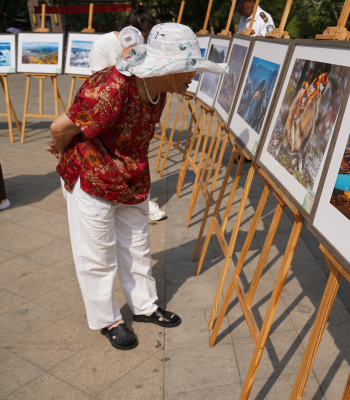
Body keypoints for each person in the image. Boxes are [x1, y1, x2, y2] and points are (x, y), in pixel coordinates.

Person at [45, 23, 228, 350]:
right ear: (168, 69)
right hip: (93, 176)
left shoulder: (159, 90)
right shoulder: (111, 89)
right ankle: (109, 320)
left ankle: (144, 306)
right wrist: (62, 153)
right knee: (97, 254)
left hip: (131, 177)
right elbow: (59, 128)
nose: (194, 76)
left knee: (136, 245)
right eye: (190, 69)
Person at [89, 6, 167, 221]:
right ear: (130, 30)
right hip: (112, 114)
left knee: (138, 159)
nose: (145, 41)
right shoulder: (103, 43)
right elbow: (96, 83)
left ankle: (141, 201)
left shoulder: (146, 46)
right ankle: (113, 201)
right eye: (144, 36)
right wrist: (122, 64)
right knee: (114, 160)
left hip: (139, 112)